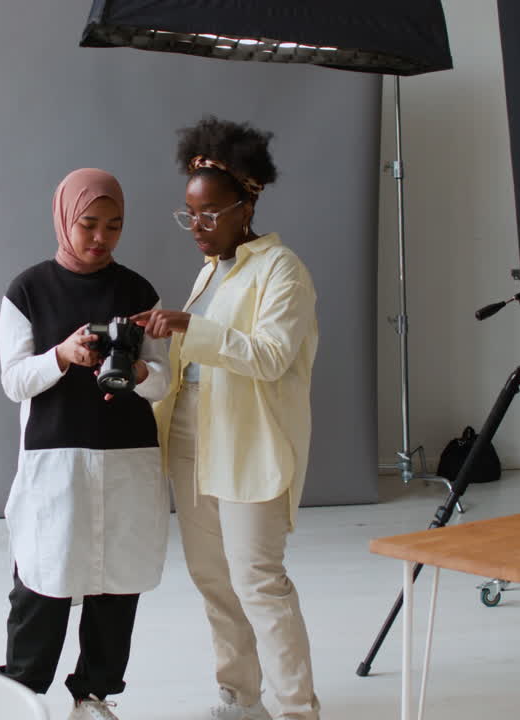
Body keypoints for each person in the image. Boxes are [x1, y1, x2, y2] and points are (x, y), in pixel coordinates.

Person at [135, 116, 321, 720]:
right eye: (190, 214)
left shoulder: (282, 270)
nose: (198, 227)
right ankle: (240, 698)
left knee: (260, 583)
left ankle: (297, 710)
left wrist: (193, 326)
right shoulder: (210, 271)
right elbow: (196, 362)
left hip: (249, 445)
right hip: (191, 439)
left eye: (210, 213)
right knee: (213, 581)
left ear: (247, 204)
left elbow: (269, 357)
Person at [0, 168, 171, 720]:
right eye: (89, 224)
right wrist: (63, 355)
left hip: (128, 457)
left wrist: (139, 370)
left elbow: (167, 382)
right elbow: (13, 381)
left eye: (114, 226)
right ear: (64, 218)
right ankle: (19, 696)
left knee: (116, 585)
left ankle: (93, 697)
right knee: (42, 581)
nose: (101, 238)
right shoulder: (27, 290)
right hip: (56, 458)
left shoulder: (139, 291)